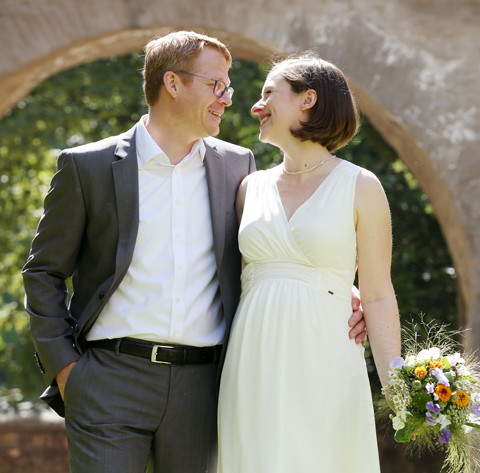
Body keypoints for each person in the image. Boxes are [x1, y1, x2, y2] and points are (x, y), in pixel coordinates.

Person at [22, 32, 366, 473]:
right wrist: (67, 370)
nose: (227, 99)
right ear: (173, 83)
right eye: (216, 85)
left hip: (206, 387)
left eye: (228, 87)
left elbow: (265, 252)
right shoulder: (86, 166)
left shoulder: (238, 166)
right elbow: (44, 272)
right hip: (108, 379)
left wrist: (340, 292)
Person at [217, 52, 401, 472]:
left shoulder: (360, 185)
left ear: (308, 99)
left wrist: (399, 391)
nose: (255, 106)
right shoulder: (249, 188)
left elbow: (377, 294)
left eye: (268, 94)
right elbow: (238, 279)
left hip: (326, 354)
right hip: (253, 359)